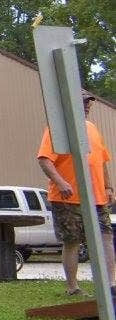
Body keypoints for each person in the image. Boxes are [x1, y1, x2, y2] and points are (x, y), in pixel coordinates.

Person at [36, 90, 115, 297]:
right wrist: (60, 182)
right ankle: (73, 287)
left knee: (106, 236)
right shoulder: (57, 129)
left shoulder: (92, 129)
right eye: (82, 102)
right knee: (72, 240)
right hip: (68, 197)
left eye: (89, 102)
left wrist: (108, 187)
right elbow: (44, 159)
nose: (87, 106)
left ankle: (110, 285)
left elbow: (102, 160)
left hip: (97, 197)